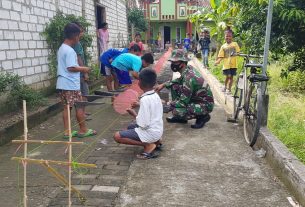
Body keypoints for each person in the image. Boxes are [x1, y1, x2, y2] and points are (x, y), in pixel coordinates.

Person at [155, 49, 214, 129]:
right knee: (174, 85)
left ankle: (203, 116)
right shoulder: (187, 69)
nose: (172, 64)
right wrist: (164, 84)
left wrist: (167, 105)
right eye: (172, 62)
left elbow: (183, 102)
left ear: (182, 63)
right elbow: (178, 80)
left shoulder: (189, 78)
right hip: (196, 98)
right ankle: (181, 119)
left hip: (205, 104)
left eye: (175, 62)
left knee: (177, 111)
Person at [56, 23, 97, 138]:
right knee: (79, 105)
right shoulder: (69, 51)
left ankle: (67, 132)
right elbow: (71, 67)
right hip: (70, 84)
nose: (79, 39)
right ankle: (83, 130)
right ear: (74, 36)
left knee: (66, 107)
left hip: (63, 83)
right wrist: (85, 69)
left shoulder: (62, 48)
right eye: (79, 36)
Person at [114, 69, 163, 159]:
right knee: (130, 127)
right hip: (158, 132)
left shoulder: (145, 99)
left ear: (140, 83)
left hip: (151, 133)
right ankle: (157, 142)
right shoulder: (155, 95)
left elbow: (144, 124)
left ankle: (149, 145)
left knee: (117, 136)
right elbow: (153, 108)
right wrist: (139, 104)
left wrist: (134, 114)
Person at [72, 22, 89, 119]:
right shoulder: (77, 44)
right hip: (80, 74)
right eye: (81, 32)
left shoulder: (75, 43)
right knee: (84, 93)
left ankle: (83, 113)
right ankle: (81, 114)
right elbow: (79, 59)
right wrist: (85, 72)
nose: (82, 34)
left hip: (77, 73)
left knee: (81, 94)